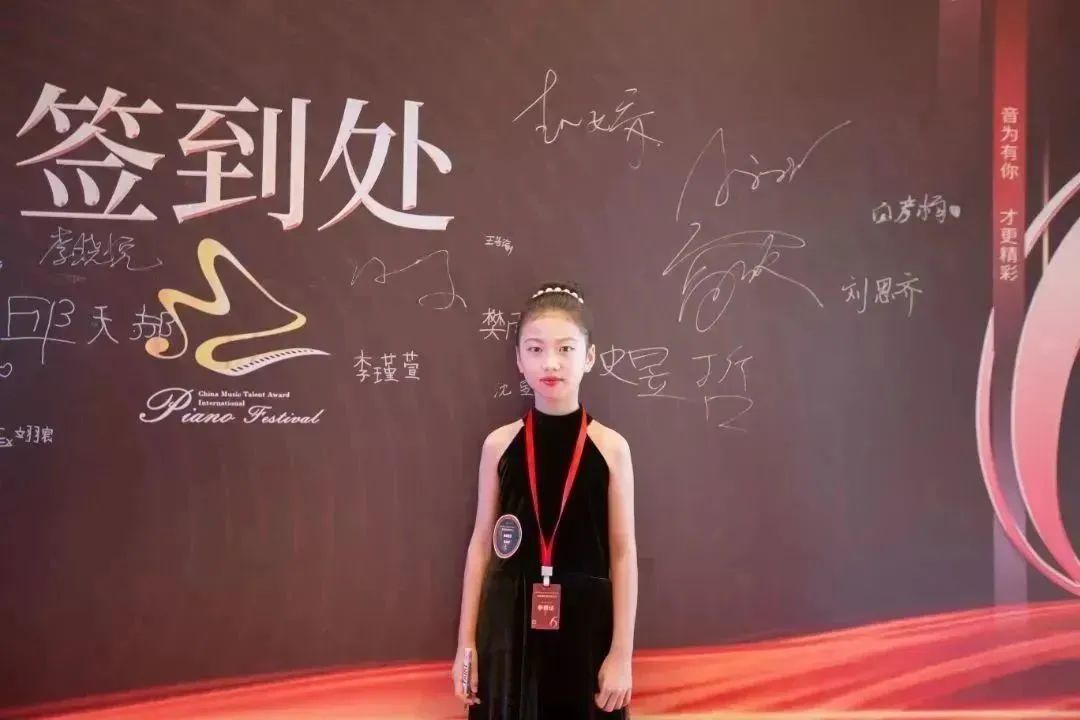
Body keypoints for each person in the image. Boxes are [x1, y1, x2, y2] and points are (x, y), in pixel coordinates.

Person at [452, 281, 639, 719]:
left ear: (589, 357)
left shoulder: (611, 447)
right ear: (519, 359)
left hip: (586, 632)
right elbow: (481, 545)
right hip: (509, 630)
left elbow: (623, 553)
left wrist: (622, 654)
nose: (550, 362)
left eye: (566, 349)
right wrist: (466, 645)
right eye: (535, 349)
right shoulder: (499, 445)